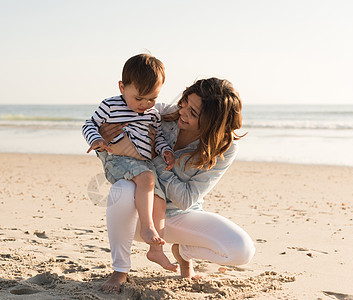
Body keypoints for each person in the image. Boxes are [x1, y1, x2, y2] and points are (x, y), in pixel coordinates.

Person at [98, 77, 256, 293]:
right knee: (121, 189)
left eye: (193, 113)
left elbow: (186, 199)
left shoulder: (225, 147)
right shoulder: (157, 115)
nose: (182, 111)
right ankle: (120, 270)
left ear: (212, 122)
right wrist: (105, 141)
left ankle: (184, 252)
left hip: (182, 216)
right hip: (140, 219)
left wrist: (156, 159)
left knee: (241, 250)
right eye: (184, 103)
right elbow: (119, 162)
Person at [82, 54, 177, 272]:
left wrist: (165, 150)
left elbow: (158, 136)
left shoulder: (152, 113)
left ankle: (156, 251)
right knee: (147, 178)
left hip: (144, 163)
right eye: (139, 98)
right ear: (122, 87)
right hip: (116, 159)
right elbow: (90, 124)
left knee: (159, 200)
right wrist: (95, 139)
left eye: (152, 99)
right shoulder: (109, 106)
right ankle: (147, 227)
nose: (145, 105)